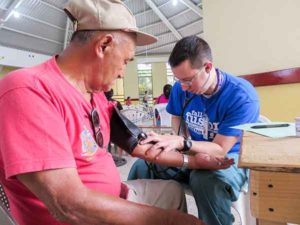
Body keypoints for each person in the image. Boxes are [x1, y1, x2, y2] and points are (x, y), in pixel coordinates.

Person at [0, 1, 220, 225]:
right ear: (104, 45)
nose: (123, 73)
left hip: (113, 196)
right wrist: (171, 221)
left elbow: (139, 145)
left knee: (171, 192)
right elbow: (68, 205)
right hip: (79, 217)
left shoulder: (95, 95)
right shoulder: (30, 90)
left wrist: (195, 162)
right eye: (125, 61)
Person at [128, 35, 260, 225]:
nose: (183, 87)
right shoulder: (180, 88)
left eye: (188, 80)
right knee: (142, 166)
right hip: (192, 151)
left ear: (208, 67)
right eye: (178, 80)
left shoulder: (242, 96)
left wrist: (183, 143)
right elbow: (176, 115)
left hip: (230, 159)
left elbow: (220, 149)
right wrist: (178, 139)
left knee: (205, 180)